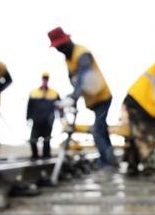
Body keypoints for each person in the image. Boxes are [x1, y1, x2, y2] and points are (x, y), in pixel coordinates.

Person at [47, 27, 117, 168]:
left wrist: (73, 98)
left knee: (97, 130)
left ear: (65, 42)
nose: (58, 50)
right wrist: (71, 97)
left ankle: (106, 164)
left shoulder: (82, 54)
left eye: (59, 47)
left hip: (102, 97)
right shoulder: (68, 58)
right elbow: (75, 81)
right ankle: (111, 161)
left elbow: (84, 79)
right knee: (102, 130)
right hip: (93, 99)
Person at [26, 72, 60, 159]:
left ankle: (46, 157)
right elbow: (29, 107)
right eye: (44, 79)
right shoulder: (34, 92)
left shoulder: (54, 93)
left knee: (46, 141)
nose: (45, 80)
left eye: (46, 79)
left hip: (48, 122)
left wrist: (61, 117)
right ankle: (35, 156)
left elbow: (59, 106)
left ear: (48, 80)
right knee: (33, 140)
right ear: (42, 79)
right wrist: (28, 118)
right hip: (37, 121)